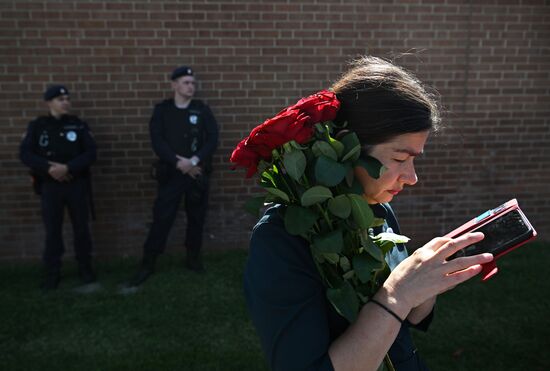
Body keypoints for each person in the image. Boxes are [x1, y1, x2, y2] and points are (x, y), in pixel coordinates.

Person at [243, 56, 494, 370]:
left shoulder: (378, 210)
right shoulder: (281, 238)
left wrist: (431, 277)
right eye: (401, 157)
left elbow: (411, 318)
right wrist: (397, 294)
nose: (413, 177)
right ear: (349, 149)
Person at [126, 65, 219, 287]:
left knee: (196, 217)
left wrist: (194, 161)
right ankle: (148, 263)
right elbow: (157, 141)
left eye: (193, 83)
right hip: (171, 174)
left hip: (196, 174)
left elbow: (212, 139)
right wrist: (179, 162)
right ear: (174, 85)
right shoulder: (162, 111)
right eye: (186, 82)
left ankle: (193, 259)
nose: (191, 87)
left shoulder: (201, 110)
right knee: (162, 218)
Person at [20, 85, 98, 291]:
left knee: (81, 229)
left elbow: (91, 153)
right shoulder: (38, 126)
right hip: (50, 186)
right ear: (49, 102)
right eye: (60, 99)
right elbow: (26, 154)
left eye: (67, 99)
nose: (65, 102)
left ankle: (85, 268)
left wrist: (68, 167)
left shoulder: (78, 125)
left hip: (76, 184)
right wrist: (48, 168)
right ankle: (52, 273)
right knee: (53, 231)